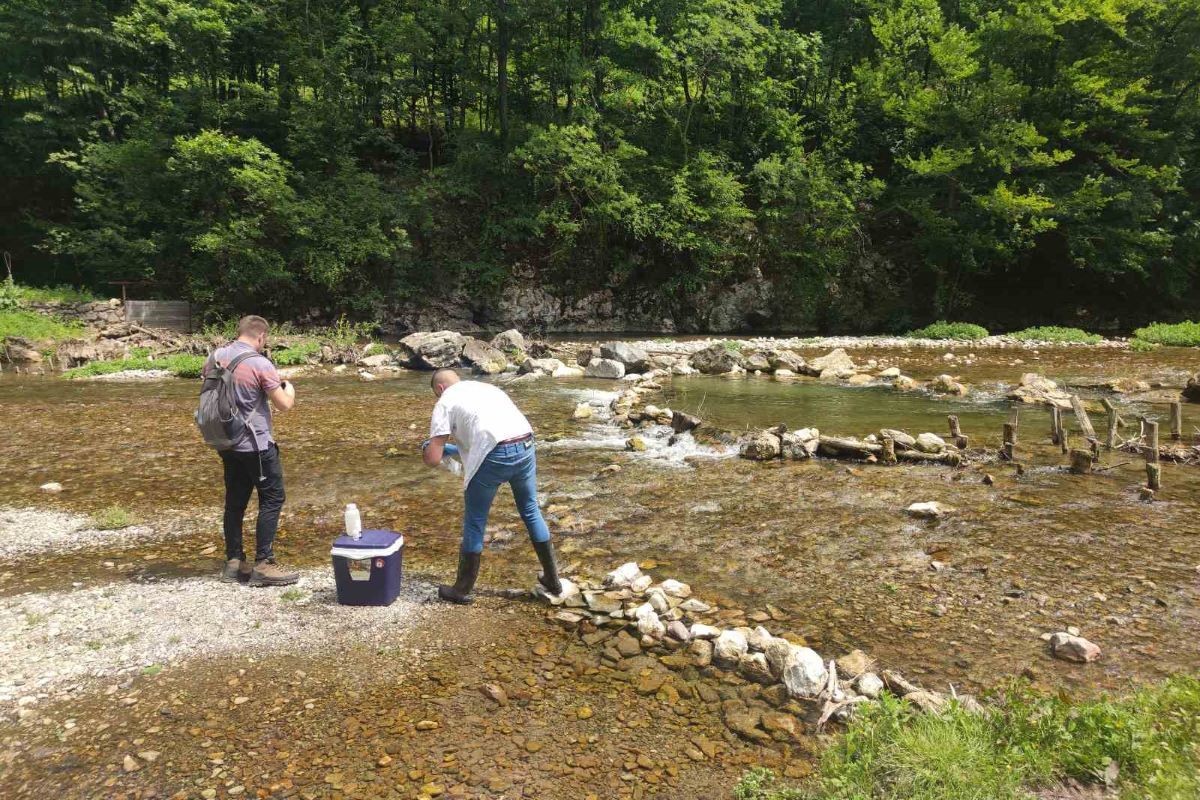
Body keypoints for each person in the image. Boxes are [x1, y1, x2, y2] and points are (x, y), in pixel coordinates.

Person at [422, 368, 563, 604]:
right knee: (530, 510)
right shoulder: (486, 388)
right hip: (525, 444)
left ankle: (462, 589)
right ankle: (553, 579)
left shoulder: (445, 401)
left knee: (475, 522)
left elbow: (433, 459)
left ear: (440, 389)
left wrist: (427, 447)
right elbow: (489, 439)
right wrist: (452, 449)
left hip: (495, 455)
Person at [203, 315, 300, 587]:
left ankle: (234, 562)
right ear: (261, 337)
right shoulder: (259, 362)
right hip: (255, 444)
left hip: (225, 442)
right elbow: (283, 405)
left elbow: (209, 382)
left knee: (235, 501)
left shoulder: (216, 356)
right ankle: (264, 564)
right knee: (272, 498)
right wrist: (288, 389)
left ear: (240, 332)